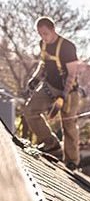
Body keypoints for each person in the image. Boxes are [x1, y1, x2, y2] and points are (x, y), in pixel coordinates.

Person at [24, 16, 80, 170]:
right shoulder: (42, 44)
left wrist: (64, 95)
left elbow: (72, 74)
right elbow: (43, 64)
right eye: (40, 34)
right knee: (30, 111)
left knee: (68, 125)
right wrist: (35, 79)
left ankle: (72, 162)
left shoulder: (68, 47)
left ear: (53, 30)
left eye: (45, 33)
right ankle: (51, 144)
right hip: (49, 86)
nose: (43, 37)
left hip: (68, 90)